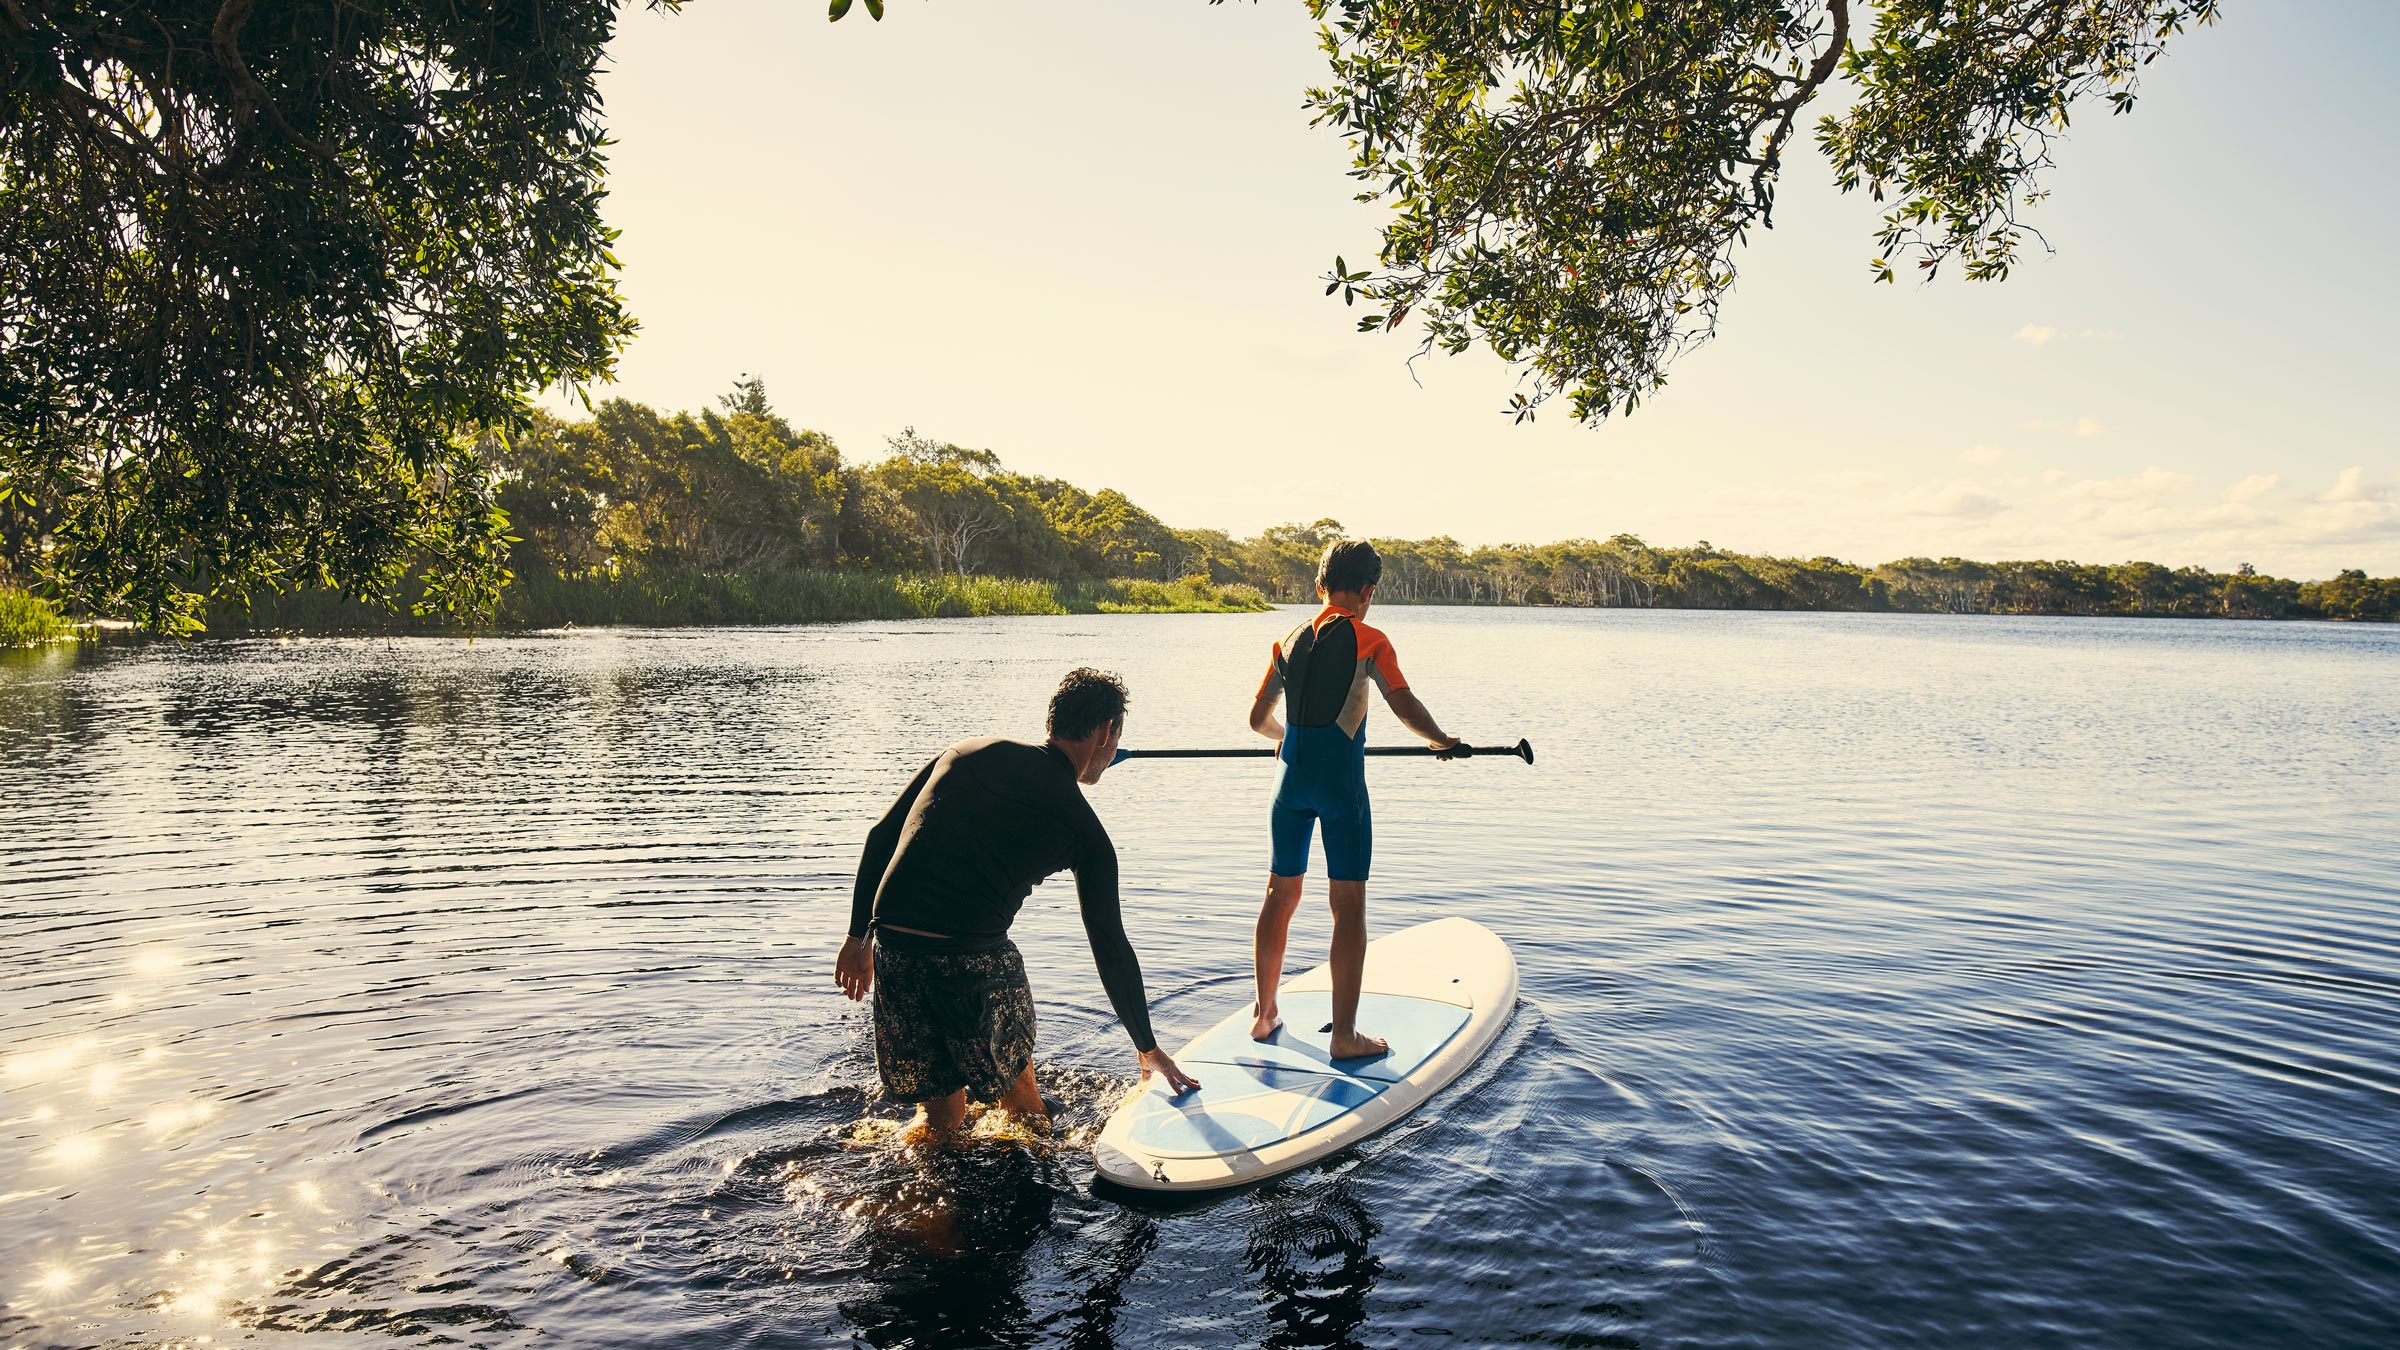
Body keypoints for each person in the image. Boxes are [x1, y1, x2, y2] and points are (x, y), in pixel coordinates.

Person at [835, 668, 1201, 1134]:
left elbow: (882, 835)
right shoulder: (1084, 831)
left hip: (894, 949)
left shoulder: (967, 751)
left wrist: (856, 936)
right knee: (1025, 1110)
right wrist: (1147, 1046)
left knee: (940, 1119)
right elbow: (1109, 944)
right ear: (1108, 732)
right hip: (969, 959)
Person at [1247, 540, 1459, 1058]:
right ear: (1368, 591)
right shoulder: (1370, 640)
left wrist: (1282, 738)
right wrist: (1441, 741)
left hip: (1289, 786)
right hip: (1341, 788)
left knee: (1280, 895)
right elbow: (1403, 704)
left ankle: (1264, 1014)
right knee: (1348, 905)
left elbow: (1257, 721)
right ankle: (1344, 1036)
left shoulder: (1287, 641)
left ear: (1319, 587)